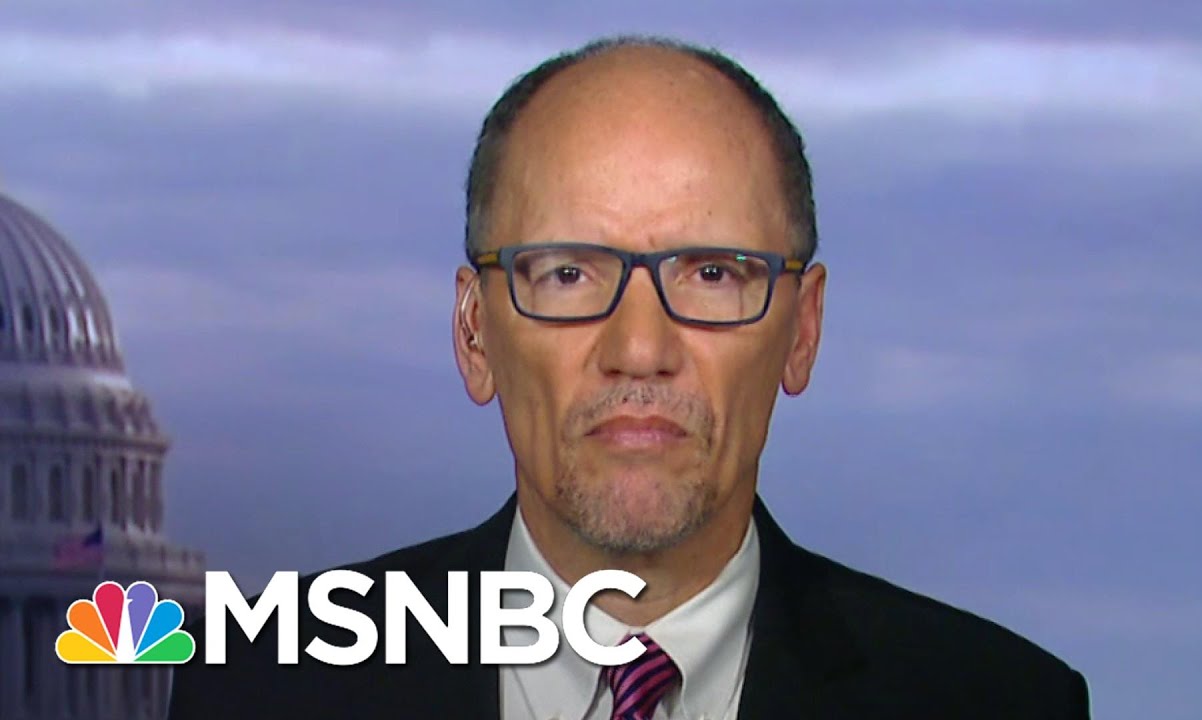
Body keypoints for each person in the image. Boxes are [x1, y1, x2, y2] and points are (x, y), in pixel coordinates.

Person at [168, 35, 1090, 719]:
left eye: (713, 273)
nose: (640, 346)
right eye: (568, 273)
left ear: (802, 331)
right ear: (475, 333)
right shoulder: (262, 688)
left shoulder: (999, 702)